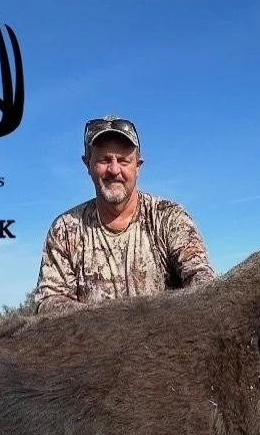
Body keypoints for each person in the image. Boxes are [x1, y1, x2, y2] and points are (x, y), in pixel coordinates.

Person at [33, 115, 216, 314]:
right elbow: (48, 306)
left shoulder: (169, 218)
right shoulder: (65, 229)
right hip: (90, 343)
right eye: (104, 160)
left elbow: (203, 283)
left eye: (123, 160)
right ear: (87, 164)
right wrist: (110, 324)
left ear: (138, 165)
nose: (114, 169)